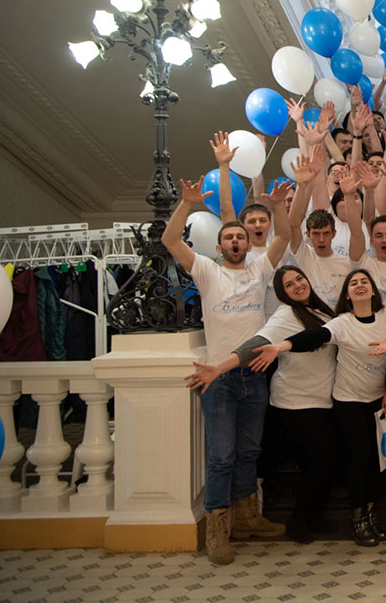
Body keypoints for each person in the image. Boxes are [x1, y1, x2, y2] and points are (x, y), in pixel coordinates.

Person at [161, 175, 292, 565]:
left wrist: (280, 205)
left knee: (249, 451)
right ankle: (217, 531)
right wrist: (186, 203)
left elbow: (283, 238)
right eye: (229, 238)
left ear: (250, 243)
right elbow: (170, 242)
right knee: (221, 456)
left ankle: (248, 518)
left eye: (242, 238)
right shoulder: (205, 271)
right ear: (219, 246)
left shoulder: (260, 270)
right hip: (217, 378)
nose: (236, 242)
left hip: (255, 373)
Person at [184, 265, 335, 545]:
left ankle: (311, 515)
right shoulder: (286, 315)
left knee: (318, 461)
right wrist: (219, 367)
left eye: (300, 279)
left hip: (322, 398)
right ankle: (298, 520)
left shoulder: (322, 310)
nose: (298, 285)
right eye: (289, 285)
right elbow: (254, 345)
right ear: (282, 294)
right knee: (321, 460)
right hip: (296, 400)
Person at [251, 269, 386, 548]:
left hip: (335, 400)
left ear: (374, 290)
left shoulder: (339, 312)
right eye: (353, 282)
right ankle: (329, 518)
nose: (359, 286)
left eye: (364, 281)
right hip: (307, 400)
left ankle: (351, 513)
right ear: (346, 293)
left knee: (368, 460)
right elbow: (314, 337)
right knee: (333, 458)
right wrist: (280, 347)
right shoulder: (331, 321)